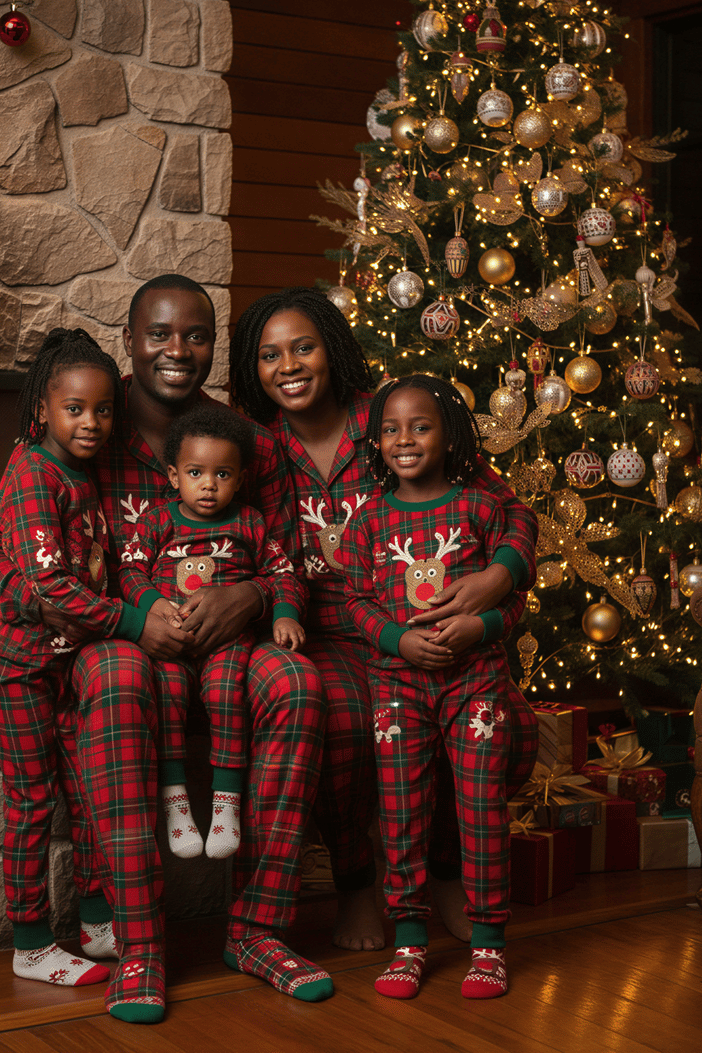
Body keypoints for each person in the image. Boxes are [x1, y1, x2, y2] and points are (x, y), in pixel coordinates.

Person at [0, 276, 332, 1023]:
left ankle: (258, 932)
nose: (177, 350)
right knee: (116, 675)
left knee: (297, 683)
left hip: (232, 640)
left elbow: (288, 559)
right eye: (160, 334)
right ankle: (140, 946)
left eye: (196, 336)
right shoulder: (83, 420)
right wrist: (50, 604)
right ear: (131, 340)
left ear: (214, 346)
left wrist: (252, 596)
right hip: (118, 635)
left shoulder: (247, 444)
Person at [229, 288, 539, 951]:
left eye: (304, 347)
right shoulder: (257, 448)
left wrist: (499, 574)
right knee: (344, 725)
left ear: (333, 349)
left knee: (503, 724)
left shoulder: (395, 416)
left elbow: (506, 507)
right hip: (322, 630)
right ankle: (356, 884)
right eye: (269, 355)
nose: (289, 366)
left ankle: (448, 873)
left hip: (427, 621)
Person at [340, 374, 532, 1000]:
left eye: (420, 427)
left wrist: (482, 625)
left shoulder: (480, 507)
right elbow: (355, 602)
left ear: (448, 436)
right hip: (397, 690)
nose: (405, 440)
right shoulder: (367, 520)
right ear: (376, 442)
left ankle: (489, 946)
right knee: (401, 813)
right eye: (391, 430)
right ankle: (409, 943)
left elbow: (516, 600)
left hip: (475, 686)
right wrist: (398, 640)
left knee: (480, 810)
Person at [0, 329, 143, 988]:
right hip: (21, 669)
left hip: (69, 663)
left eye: (103, 410)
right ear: (43, 410)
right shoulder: (34, 472)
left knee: (87, 793)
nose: (91, 422)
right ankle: (32, 943)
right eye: (75, 409)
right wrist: (131, 622)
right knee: (33, 800)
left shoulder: (79, 470)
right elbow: (51, 586)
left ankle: (96, 922)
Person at [118, 403, 306, 861]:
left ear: (240, 479)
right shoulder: (158, 521)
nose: (208, 484)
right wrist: (154, 604)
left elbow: (283, 573)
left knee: (226, 694)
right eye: (195, 472)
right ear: (173, 475)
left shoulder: (249, 522)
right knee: (168, 696)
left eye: (222, 474)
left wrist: (284, 615)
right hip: (171, 639)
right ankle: (175, 801)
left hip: (227, 642)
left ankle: (227, 804)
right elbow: (129, 570)